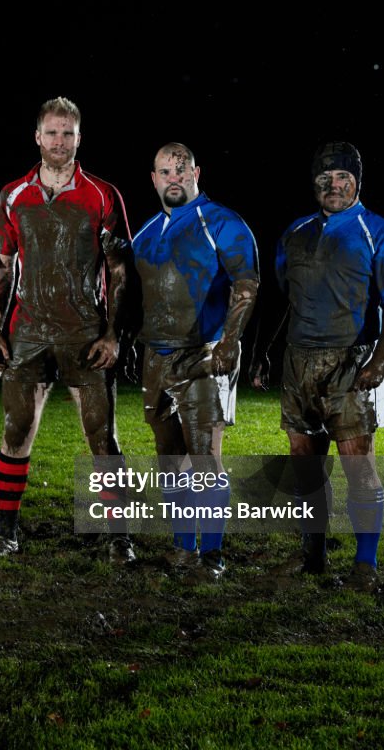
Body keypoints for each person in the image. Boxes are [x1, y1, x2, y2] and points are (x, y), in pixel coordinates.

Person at [0, 97, 133, 562]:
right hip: (27, 331)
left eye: (67, 133)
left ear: (79, 138)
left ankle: (118, 535)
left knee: (102, 436)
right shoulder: (13, 196)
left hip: (84, 333)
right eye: (52, 132)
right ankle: (6, 531)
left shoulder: (103, 194)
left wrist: (112, 334)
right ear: (37, 137)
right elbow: (3, 271)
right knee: (16, 432)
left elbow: (120, 272)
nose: (59, 141)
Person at [263, 141, 384, 590]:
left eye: (342, 178)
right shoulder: (296, 231)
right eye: (325, 180)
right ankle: (312, 556)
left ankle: (365, 565)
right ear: (314, 183)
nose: (333, 186)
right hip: (299, 363)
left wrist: (380, 362)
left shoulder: (379, 232)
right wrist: (268, 355)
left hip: (353, 360)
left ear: (357, 181)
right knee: (305, 464)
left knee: (357, 465)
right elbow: (285, 296)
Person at [132, 142, 259, 579]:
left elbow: (246, 283)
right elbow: (146, 296)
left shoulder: (222, 222)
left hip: (204, 352)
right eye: (165, 171)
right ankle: (183, 547)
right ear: (153, 178)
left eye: (181, 171)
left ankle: (213, 555)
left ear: (196, 173)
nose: (174, 178)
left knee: (204, 456)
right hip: (157, 356)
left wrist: (229, 341)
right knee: (169, 456)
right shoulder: (146, 232)